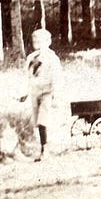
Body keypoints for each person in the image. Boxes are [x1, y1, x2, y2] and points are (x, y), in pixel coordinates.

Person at [20, 27, 62, 160]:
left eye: (39, 40)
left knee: (43, 119)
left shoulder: (52, 58)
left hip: (47, 91)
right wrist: (24, 92)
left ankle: (45, 149)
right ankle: (42, 146)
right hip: (35, 92)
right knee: (37, 121)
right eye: (34, 39)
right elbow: (27, 76)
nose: (36, 42)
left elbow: (57, 77)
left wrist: (55, 94)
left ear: (48, 41)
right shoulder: (31, 58)